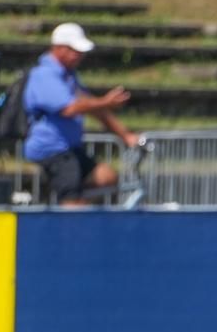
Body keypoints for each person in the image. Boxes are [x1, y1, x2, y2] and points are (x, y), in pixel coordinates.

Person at [22, 22, 140, 206]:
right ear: (59, 48)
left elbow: (92, 106)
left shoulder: (69, 76)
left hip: (70, 148)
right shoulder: (44, 75)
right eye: (74, 50)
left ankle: (71, 209)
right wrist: (106, 101)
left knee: (106, 178)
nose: (80, 55)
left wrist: (125, 135)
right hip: (52, 149)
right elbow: (69, 109)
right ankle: (69, 214)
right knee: (70, 199)